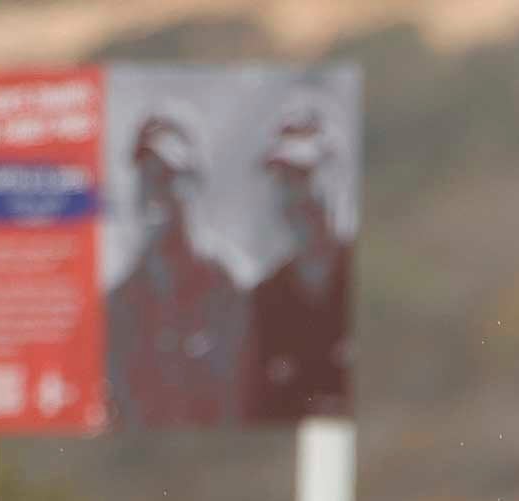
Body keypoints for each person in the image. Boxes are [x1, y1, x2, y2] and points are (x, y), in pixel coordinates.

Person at [106, 113, 245, 428]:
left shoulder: (235, 289)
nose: (154, 191)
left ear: (197, 183)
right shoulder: (118, 304)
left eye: (166, 176)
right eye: (145, 176)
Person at [242, 104, 353, 423]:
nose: (296, 196)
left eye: (305, 175)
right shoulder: (264, 299)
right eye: (284, 180)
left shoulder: (370, 278)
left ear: (338, 177)